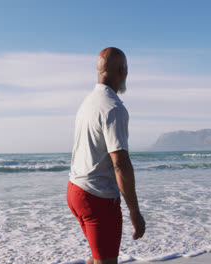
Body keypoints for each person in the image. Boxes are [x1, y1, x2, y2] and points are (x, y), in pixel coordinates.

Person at [67, 47, 145, 264]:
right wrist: (135, 212)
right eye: (126, 70)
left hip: (75, 190)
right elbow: (120, 163)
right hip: (96, 197)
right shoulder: (113, 108)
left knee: (98, 257)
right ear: (122, 70)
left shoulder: (88, 103)